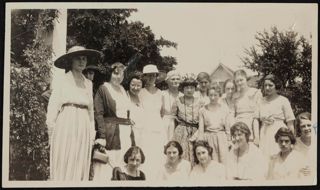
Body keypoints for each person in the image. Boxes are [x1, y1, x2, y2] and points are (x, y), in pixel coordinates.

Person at [46, 46, 100, 180]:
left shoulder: (88, 83)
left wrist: (92, 134)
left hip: (83, 127)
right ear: (71, 61)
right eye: (78, 59)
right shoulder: (62, 80)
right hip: (66, 124)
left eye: (84, 59)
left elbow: (91, 112)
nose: (82, 62)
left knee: (80, 161)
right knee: (64, 158)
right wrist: (51, 133)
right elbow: (52, 108)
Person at [93, 62, 134, 181]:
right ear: (110, 73)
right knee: (108, 164)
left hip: (125, 133)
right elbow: (98, 114)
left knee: (123, 163)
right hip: (111, 133)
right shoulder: (104, 88)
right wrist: (102, 136)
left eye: (122, 74)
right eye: (116, 73)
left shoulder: (123, 90)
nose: (119, 77)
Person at [256, 74, 295, 158]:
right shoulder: (260, 101)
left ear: (276, 86)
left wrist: (292, 142)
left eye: (270, 85)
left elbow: (290, 123)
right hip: (265, 132)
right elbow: (256, 119)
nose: (267, 88)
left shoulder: (283, 100)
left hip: (279, 132)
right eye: (265, 85)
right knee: (265, 157)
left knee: (278, 156)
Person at [139, 64, 166, 180]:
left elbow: (162, 112)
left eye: (153, 75)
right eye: (148, 76)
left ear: (156, 77)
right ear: (144, 77)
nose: (151, 78)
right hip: (145, 127)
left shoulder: (161, 93)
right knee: (146, 153)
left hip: (158, 127)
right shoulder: (140, 92)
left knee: (159, 154)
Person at [172, 73, 204, 164]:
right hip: (181, 131)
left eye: (192, 88)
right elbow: (173, 118)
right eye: (187, 88)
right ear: (182, 89)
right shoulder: (177, 101)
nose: (189, 90)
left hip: (196, 131)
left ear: (195, 88)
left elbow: (202, 119)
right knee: (181, 154)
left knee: (196, 155)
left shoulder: (200, 102)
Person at [197, 86, 230, 165]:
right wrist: (200, 142)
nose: (213, 97)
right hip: (208, 138)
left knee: (223, 161)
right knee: (210, 161)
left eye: (215, 95)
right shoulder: (202, 110)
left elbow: (227, 127)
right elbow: (201, 128)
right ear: (208, 95)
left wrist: (229, 140)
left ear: (219, 95)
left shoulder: (224, 108)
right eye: (210, 95)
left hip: (221, 138)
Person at [233, 69, 262, 146]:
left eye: (241, 80)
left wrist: (257, 136)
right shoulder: (235, 96)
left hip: (252, 124)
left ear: (246, 79)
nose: (239, 83)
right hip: (238, 125)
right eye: (237, 81)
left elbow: (257, 116)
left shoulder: (255, 93)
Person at [294, 112, 316, 181]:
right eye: (303, 126)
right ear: (299, 128)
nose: (307, 128)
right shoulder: (294, 144)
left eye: (309, 125)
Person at [161, 70, 183, 141]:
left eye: (177, 79)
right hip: (164, 122)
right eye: (173, 79)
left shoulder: (182, 95)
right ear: (167, 81)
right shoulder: (162, 94)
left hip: (178, 124)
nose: (175, 81)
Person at [125, 71, 145, 147]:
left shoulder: (142, 97)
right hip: (129, 132)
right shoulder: (125, 96)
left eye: (138, 85)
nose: (135, 88)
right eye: (133, 85)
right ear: (129, 84)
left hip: (141, 132)